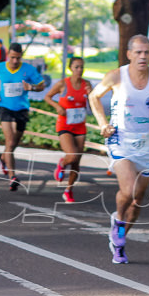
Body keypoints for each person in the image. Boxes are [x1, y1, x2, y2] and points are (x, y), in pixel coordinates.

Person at [88, 35, 149, 264]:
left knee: (137, 202)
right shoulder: (117, 76)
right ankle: (117, 222)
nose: (143, 56)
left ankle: (119, 240)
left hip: (146, 144)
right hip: (121, 141)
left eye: (147, 52)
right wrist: (102, 124)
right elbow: (94, 96)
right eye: (138, 52)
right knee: (127, 191)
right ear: (129, 54)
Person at [0, 42, 46, 191]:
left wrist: (32, 87)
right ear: (9, 55)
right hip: (4, 107)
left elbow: (42, 85)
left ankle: (2, 157)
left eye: (18, 58)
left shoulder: (29, 70)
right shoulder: (1, 67)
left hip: (21, 108)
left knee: (14, 142)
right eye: (13, 57)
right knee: (9, 140)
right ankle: (12, 177)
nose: (15, 61)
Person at [46, 56, 92, 203]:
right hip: (65, 124)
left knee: (77, 161)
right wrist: (58, 107)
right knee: (71, 156)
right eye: (76, 67)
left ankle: (68, 190)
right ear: (70, 68)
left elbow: (92, 106)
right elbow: (47, 97)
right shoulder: (63, 84)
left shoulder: (87, 84)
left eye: (81, 67)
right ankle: (61, 163)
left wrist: (91, 94)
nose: (79, 70)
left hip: (79, 125)